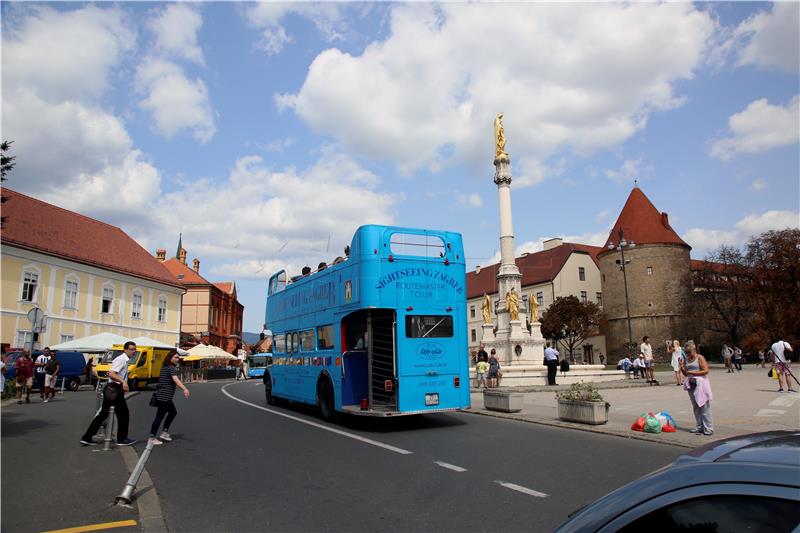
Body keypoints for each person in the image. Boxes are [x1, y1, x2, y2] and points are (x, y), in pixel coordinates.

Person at [80, 341, 137, 446]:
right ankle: (122, 439)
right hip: (114, 389)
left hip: (112, 389)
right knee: (124, 414)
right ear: (125, 350)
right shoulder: (121, 360)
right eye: (131, 349)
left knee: (103, 414)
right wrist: (123, 382)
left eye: (134, 349)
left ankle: (87, 437)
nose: (134, 351)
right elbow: (111, 374)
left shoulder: (123, 360)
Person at [148, 350, 190, 446]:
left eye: (178, 357)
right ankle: (152, 437)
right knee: (159, 416)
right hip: (164, 396)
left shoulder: (165, 367)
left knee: (172, 412)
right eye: (175, 357)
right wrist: (185, 389)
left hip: (164, 395)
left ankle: (164, 433)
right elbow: (176, 379)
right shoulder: (171, 368)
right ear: (170, 358)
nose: (177, 359)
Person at [680, 340, 714, 435]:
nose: (688, 354)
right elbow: (686, 373)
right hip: (691, 385)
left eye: (689, 352)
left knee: (703, 406)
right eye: (686, 352)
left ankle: (708, 428)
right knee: (695, 406)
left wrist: (692, 373)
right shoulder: (687, 359)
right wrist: (682, 368)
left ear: (694, 350)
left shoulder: (700, 358)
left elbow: (706, 371)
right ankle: (699, 426)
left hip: (701, 385)